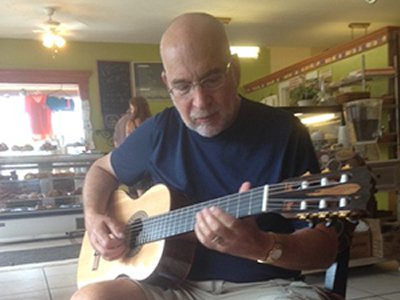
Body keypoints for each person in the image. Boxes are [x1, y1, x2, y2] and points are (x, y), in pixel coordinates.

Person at [71, 12, 338, 300]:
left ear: (234, 70)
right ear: (167, 84)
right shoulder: (159, 131)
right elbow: (101, 170)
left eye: (211, 80)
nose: (200, 102)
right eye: (183, 86)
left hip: (265, 288)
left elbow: (325, 248)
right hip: (172, 287)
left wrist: (262, 246)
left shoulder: (285, 132)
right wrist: (94, 215)